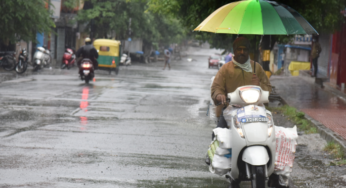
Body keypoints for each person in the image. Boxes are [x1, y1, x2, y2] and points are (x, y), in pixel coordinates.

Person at [207, 36, 272, 188]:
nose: (242, 52)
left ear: (249, 51)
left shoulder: (257, 68)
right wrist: (219, 95)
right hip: (232, 110)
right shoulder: (226, 69)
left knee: (271, 131)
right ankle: (226, 166)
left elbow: (269, 89)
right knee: (220, 133)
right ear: (234, 51)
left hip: (256, 110)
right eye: (239, 49)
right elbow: (216, 88)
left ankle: (273, 170)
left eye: (245, 49)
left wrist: (260, 85)